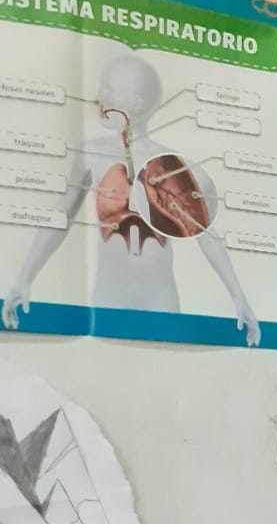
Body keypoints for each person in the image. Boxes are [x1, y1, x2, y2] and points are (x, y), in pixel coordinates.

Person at [1, 52, 261, 346]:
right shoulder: (91, 154)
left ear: (135, 104)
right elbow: (61, 217)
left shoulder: (172, 165)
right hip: (108, 296)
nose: (99, 97)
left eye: (109, 89)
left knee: (160, 369)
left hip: (160, 298)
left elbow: (205, 234)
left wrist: (239, 298)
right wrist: (24, 279)